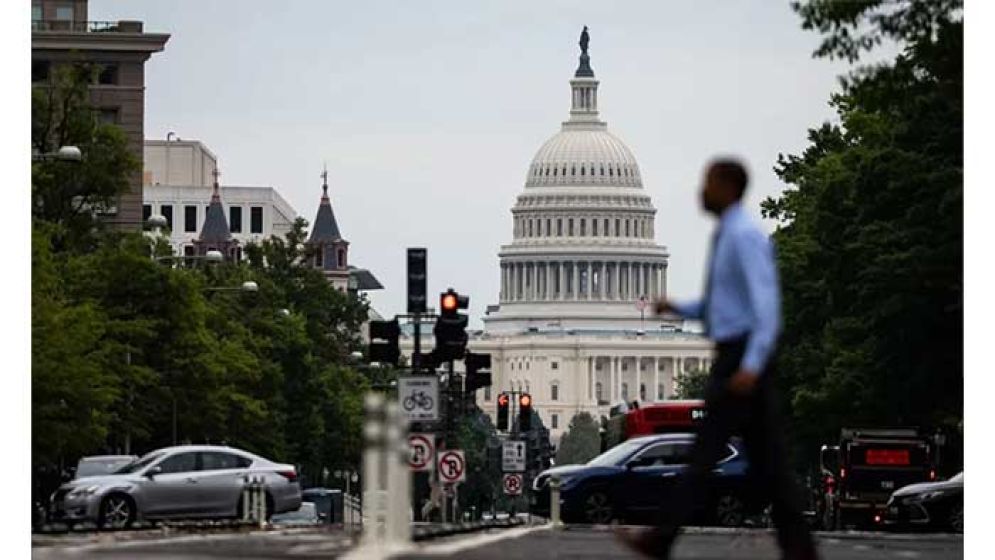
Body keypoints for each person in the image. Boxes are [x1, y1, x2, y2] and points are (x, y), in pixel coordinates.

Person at [617, 158, 819, 560]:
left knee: (709, 452)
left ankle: (661, 537)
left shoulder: (743, 235)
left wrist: (751, 364)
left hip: (742, 356)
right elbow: (721, 304)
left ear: (727, 186)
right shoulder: (728, 234)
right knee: (766, 463)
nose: (700, 191)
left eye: (708, 182)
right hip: (736, 353)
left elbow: (765, 306)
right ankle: (800, 551)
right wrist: (678, 307)